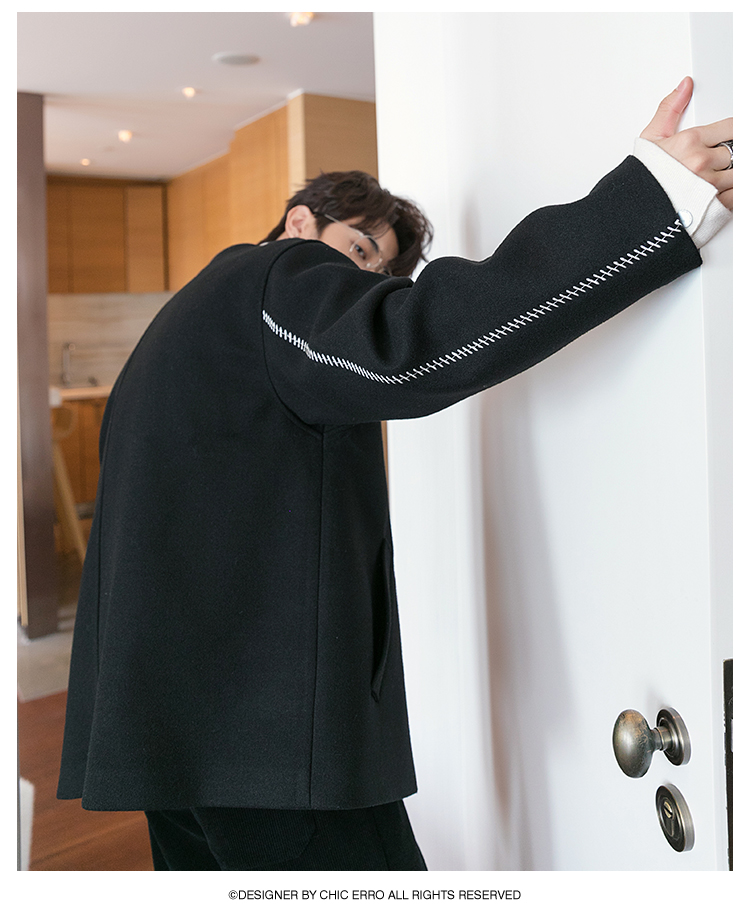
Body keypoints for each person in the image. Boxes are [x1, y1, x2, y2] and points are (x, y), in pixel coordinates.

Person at [57, 78, 732, 870]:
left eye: (379, 276)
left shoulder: (181, 329)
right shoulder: (268, 280)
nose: (363, 283)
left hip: (169, 736)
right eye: (360, 251)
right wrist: (649, 201)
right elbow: (409, 346)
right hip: (264, 739)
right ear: (299, 223)